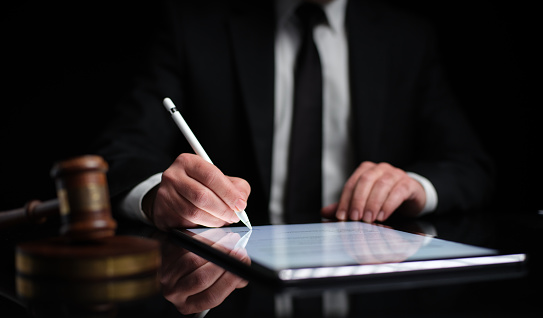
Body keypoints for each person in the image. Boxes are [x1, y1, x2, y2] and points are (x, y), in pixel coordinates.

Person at [94, 0, 494, 230]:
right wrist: (156, 198)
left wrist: (413, 186)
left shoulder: (407, 37)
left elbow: (468, 163)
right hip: (234, 285)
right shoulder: (193, 27)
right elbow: (122, 152)